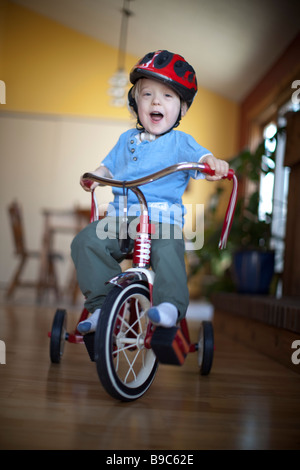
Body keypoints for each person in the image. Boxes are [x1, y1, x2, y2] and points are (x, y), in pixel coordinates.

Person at [71, 50, 229, 334]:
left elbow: (203, 158)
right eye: (147, 94)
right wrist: (97, 177)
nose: (157, 101)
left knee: (170, 249)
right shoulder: (126, 140)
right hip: (121, 221)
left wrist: (212, 163)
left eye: (168, 96)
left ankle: (169, 306)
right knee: (85, 241)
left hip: (161, 223)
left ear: (181, 109)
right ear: (135, 104)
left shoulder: (181, 142)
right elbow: (107, 167)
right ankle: (101, 307)